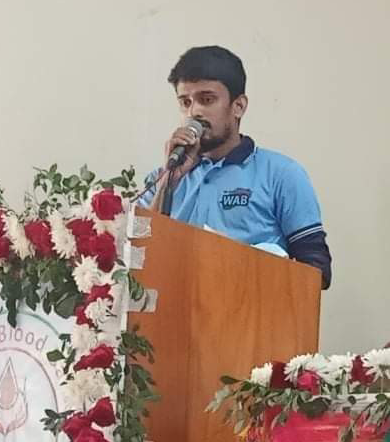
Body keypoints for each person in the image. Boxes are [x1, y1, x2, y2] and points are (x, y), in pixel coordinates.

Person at [138, 45, 332, 289]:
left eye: (206, 100)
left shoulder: (282, 174)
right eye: (185, 102)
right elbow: (137, 257)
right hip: (176, 309)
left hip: (248, 309)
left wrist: (239, 262)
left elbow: (317, 272)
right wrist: (169, 180)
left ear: (238, 106)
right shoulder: (163, 178)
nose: (194, 112)